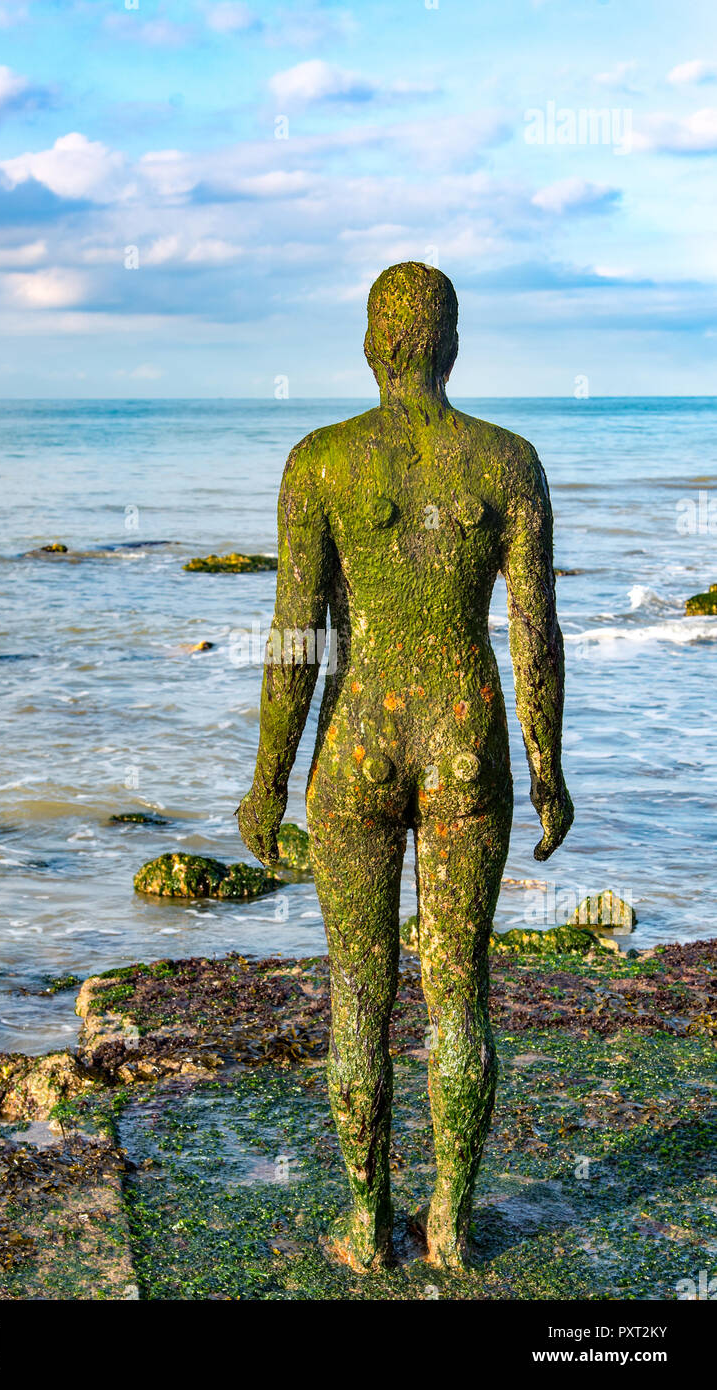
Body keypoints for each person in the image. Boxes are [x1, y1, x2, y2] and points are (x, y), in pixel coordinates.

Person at [238, 261, 574, 1272]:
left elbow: (294, 634)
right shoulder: (506, 461)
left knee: (357, 991)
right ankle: (451, 1228)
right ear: (451, 343)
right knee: (458, 989)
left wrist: (266, 778)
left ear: (375, 344)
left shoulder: (322, 462)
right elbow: (535, 635)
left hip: (356, 747)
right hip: (466, 737)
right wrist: (546, 765)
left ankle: (361, 1225)